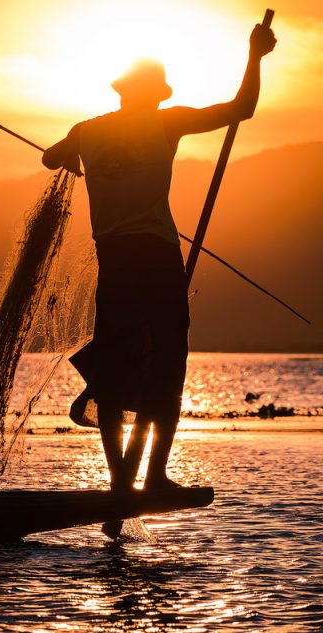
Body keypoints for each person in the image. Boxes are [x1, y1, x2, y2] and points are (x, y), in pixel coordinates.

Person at [41, 22, 277, 492]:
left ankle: (118, 482)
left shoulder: (87, 131)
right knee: (167, 360)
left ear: (124, 92)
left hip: (115, 262)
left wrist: (79, 157)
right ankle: (153, 478)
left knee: (113, 363)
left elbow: (50, 157)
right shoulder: (166, 122)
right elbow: (240, 110)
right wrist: (255, 56)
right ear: (154, 94)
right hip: (156, 257)